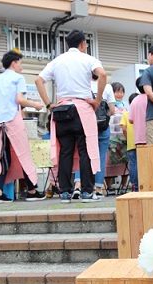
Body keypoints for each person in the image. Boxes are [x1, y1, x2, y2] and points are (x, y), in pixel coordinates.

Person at [35, 29, 107, 203]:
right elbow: (103, 74)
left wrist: (48, 104)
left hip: (61, 111)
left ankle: (65, 193)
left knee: (65, 152)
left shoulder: (57, 61)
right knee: (85, 150)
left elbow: (39, 80)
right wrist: (97, 100)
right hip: (82, 110)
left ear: (68, 44)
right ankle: (87, 192)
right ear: (83, 44)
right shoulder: (88, 59)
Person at [0, 49, 46, 203]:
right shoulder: (18, 78)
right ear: (14, 63)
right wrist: (35, 105)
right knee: (23, 153)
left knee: (2, 157)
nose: (21, 67)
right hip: (12, 120)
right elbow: (20, 100)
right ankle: (32, 190)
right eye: (20, 63)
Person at [72, 72, 115, 199]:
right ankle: (98, 188)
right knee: (100, 157)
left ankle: (78, 186)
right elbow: (112, 110)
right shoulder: (107, 87)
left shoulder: (81, 86)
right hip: (102, 127)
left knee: (83, 155)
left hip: (85, 126)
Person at [120, 93, 138, 191]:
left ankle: (134, 184)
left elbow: (124, 128)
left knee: (133, 164)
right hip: (142, 142)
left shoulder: (126, 114)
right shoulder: (142, 113)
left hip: (131, 143)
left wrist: (128, 138)